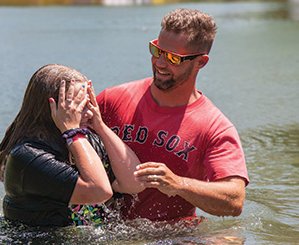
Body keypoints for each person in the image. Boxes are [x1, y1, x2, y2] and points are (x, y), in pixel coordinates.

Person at [96, 8, 249, 222]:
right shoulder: (111, 99)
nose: (159, 63)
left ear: (201, 62)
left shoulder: (215, 127)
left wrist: (178, 184)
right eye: (157, 50)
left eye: (173, 58)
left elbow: (234, 201)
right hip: (103, 233)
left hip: (169, 242)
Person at [0, 64, 141, 227]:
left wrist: (100, 126)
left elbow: (135, 183)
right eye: (79, 106)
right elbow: (99, 192)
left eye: (89, 103)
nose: (90, 113)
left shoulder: (87, 141)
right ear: (52, 108)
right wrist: (72, 132)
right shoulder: (27, 156)